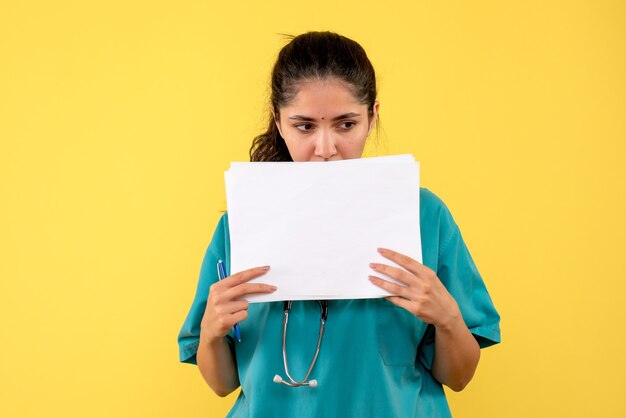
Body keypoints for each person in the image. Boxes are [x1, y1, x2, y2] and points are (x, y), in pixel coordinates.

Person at [178, 31, 501, 417]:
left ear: (372, 116)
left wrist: (447, 318)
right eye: (304, 126)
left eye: (346, 125)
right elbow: (222, 384)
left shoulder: (423, 216)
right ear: (278, 121)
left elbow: (459, 377)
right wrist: (212, 333)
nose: (326, 149)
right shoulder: (241, 225)